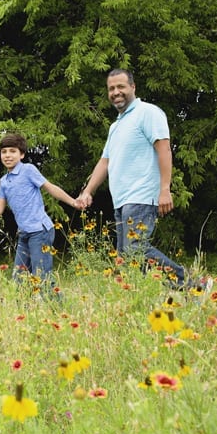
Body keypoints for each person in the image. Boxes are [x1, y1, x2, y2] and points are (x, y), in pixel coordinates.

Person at [77, 68, 188, 287]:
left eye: (121, 87)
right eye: (111, 89)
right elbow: (105, 161)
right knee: (127, 258)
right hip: (121, 199)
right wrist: (88, 191)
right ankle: (136, 298)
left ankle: (192, 284)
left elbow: (164, 149)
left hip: (141, 195)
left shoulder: (148, 113)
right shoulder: (116, 125)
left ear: (133, 87)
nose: (116, 92)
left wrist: (165, 189)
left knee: (135, 249)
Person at [0, 133, 79, 294]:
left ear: (21, 154)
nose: (7, 155)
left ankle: (57, 308)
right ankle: (25, 311)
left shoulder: (28, 170)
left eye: (12, 151)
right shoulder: (4, 181)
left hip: (40, 231)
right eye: (4, 151)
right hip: (24, 234)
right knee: (19, 278)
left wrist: (73, 202)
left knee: (42, 276)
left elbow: (49, 187)